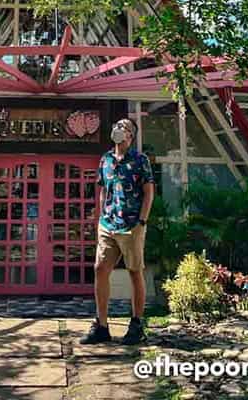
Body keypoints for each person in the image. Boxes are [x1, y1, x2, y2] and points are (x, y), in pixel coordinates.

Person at [80, 118, 154, 345]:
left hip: (132, 225)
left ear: (131, 135)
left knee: (134, 272)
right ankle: (101, 326)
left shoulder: (140, 160)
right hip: (108, 225)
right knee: (100, 269)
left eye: (122, 127)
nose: (117, 129)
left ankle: (136, 324)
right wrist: (101, 215)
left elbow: (149, 192)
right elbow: (103, 189)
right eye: (117, 125)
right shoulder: (106, 159)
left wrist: (142, 221)